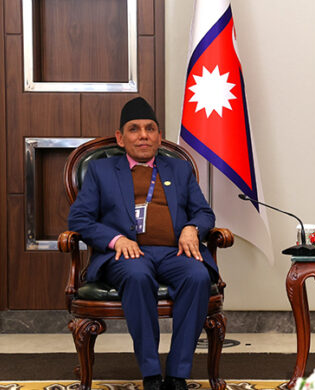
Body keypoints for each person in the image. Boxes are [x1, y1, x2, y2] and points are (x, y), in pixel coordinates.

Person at [68, 97, 217, 390]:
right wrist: (115, 239)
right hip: (127, 255)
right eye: (134, 129)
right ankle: (151, 374)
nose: (143, 135)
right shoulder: (101, 171)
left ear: (160, 137)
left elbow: (204, 212)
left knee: (197, 276)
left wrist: (192, 228)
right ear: (120, 138)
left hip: (175, 252)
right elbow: (79, 219)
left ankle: (177, 375)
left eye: (150, 129)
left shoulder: (179, 169)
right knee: (137, 275)